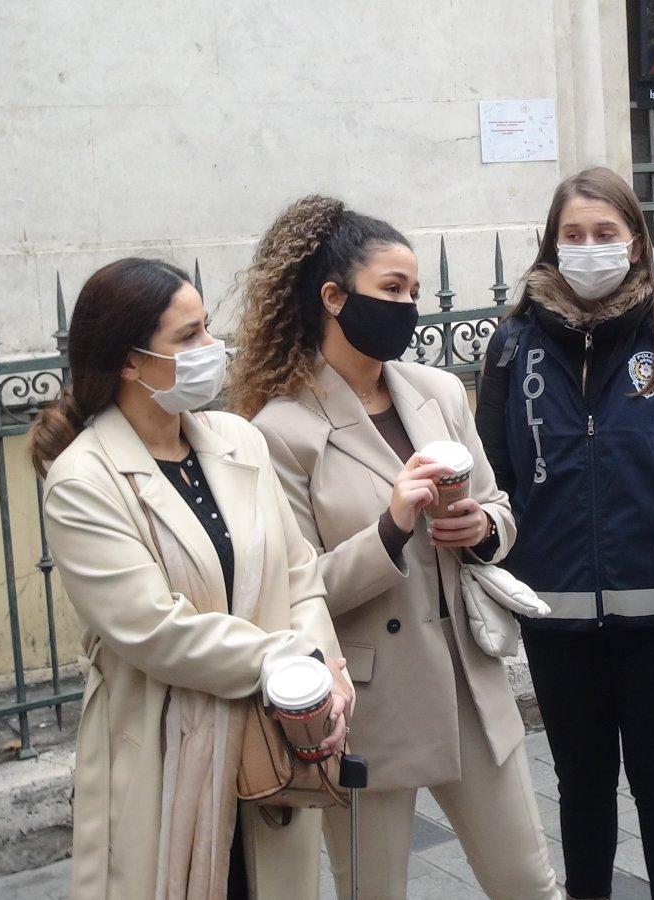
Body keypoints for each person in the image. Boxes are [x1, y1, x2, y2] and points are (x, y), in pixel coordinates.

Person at [231, 195, 562, 900]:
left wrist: (483, 530)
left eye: (413, 291)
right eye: (391, 290)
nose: (408, 306)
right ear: (332, 296)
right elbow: (297, 586)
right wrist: (389, 525)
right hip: (370, 706)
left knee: (529, 884)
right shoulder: (279, 430)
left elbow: (501, 507)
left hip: (468, 686)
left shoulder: (438, 391)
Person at [31, 258, 351, 900]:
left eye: (208, 327)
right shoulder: (83, 481)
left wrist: (325, 672)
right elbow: (153, 630)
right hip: (163, 750)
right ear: (129, 362)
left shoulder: (238, 440)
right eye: (189, 337)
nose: (213, 349)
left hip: (271, 739)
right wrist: (294, 661)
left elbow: (299, 573)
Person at [475, 167, 654, 900]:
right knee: (582, 790)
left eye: (604, 233)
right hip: (555, 619)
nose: (588, 247)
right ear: (550, 245)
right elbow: (492, 482)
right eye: (573, 234)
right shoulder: (511, 347)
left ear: (635, 243)